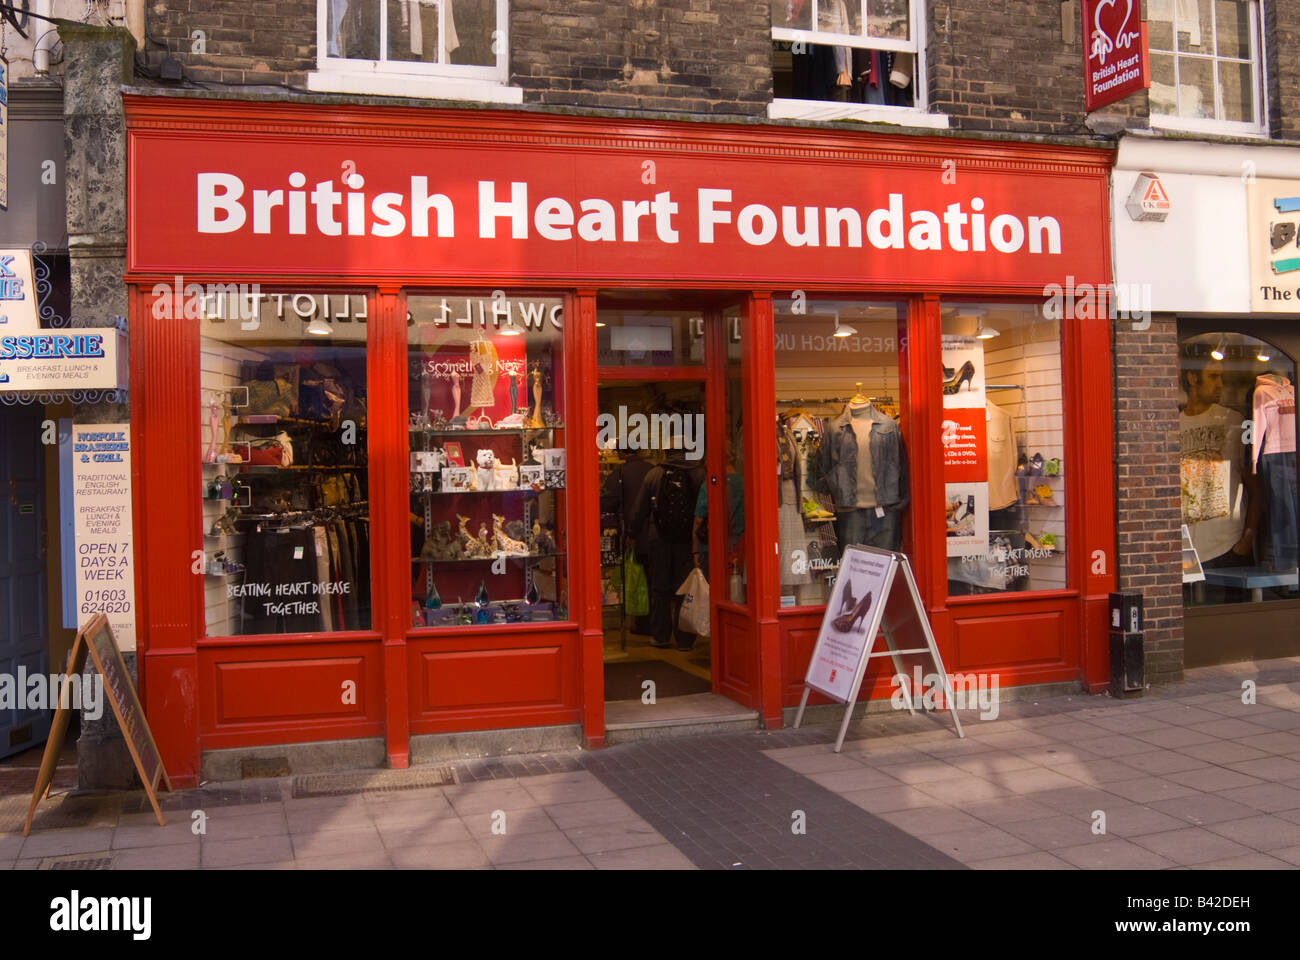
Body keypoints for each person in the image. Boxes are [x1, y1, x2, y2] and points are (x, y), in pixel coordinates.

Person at [1179, 357, 1262, 576]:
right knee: (1191, 609)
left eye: (1222, 377)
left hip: (1228, 545)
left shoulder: (1233, 420)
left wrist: (1246, 540)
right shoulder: (1174, 424)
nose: (1221, 384)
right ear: (1192, 377)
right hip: (1187, 548)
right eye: (1213, 376)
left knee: (1233, 608)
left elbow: (1254, 484)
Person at [629, 442, 705, 650]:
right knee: (684, 587)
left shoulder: (654, 474)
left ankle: (660, 636)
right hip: (688, 541)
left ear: (667, 452)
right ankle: (684, 638)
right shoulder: (698, 474)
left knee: (660, 589)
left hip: (659, 538)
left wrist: (632, 533)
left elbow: (640, 509)